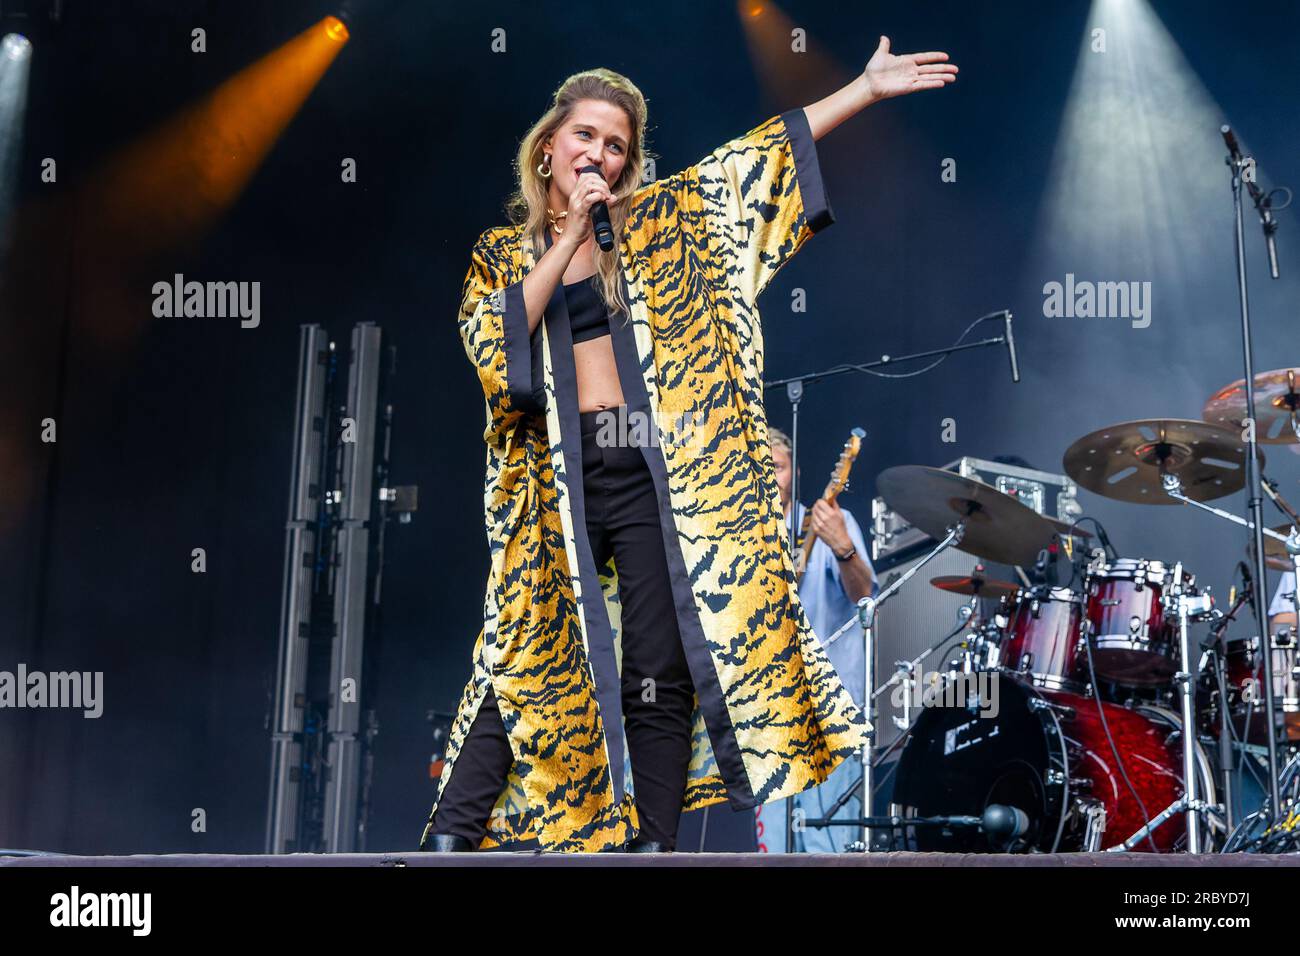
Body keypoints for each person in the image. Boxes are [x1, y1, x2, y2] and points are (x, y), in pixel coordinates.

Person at [420, 40, 958, 854]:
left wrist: (861, 90)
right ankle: (455, 835)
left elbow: (755, 161)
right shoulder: (503, 253)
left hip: (650, 469)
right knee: (522, 643)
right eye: (586, 137)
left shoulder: (665, 227)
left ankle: (653, 845)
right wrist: (566, 241)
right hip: (550, 478)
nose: (599, 154)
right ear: (548, 146)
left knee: (659, 656)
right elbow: (494, 342)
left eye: (616, 145)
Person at [753, 427, 878, 853]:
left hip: (831, 714)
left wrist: (842, 547)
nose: (770, 476)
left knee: (828, 848)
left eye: (779, 468)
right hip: (771, 718)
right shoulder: (743, 543)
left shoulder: (830, 525)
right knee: (774, 850)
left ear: (795, 473)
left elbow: (865, 599)